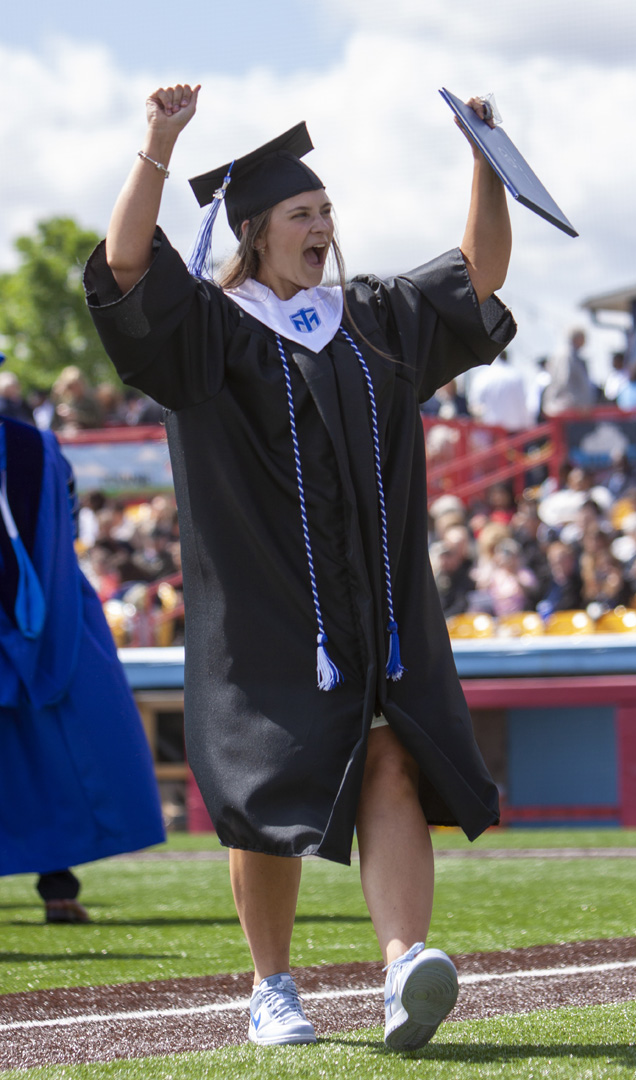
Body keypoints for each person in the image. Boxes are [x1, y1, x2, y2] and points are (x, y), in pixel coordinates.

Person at [84, 82, 515, 1052]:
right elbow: (122, 265)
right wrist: (156, 146)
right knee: (262, 797)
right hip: (259, 611)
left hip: (378, 605)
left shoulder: (365, 318)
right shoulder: (213, 330)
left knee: (393, 759)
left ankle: (405, 965)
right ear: (256, 230)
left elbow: (478, 276)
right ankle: (270, 987)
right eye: (300, 213)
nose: (322, 224)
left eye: (325, 209)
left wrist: (487, 166)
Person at [0, 413, 165, 922]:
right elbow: (64, 515)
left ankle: (57, 880)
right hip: (52, 605)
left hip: (41, 602)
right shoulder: (35, 446)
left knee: (39, 747)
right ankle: (57, 882)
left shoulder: (34, 446)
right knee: (56, 746)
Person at [541, 329, 595, 416]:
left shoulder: (571, 354)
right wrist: (577, 402)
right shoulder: (567, 355)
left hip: (569, 408)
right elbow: (563, 380)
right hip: (566, 408)